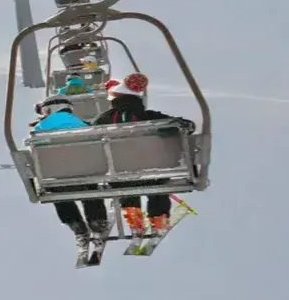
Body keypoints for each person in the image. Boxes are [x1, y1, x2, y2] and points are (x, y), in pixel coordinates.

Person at [101, 72, 184, 237]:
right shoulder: (151, 117)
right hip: (152, 171)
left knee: (124, 185)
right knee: (158, 185)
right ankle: (159, 220)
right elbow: (179, 126)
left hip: (120, 174)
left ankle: (135, 221)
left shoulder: (105, 119)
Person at [33, 96, 111, 259]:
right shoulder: (81, 124)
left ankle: (76, 225)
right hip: (85, 173)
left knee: (57, 193)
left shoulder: (41, 128)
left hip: (57, 177)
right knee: (90, 187)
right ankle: (97, 221)